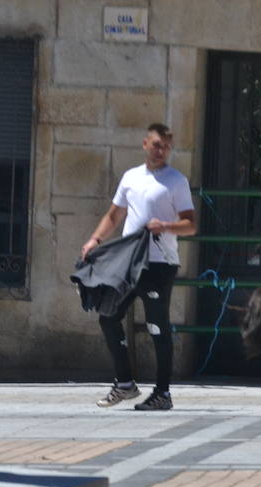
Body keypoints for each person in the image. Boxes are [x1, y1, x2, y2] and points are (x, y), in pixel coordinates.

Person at [81, 123, 196, 411]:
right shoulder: (131, 177)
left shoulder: (176, 181)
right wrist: (94, 240)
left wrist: (166, 225)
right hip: (128, 263)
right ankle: (124, 383)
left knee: (157, 326)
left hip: (159, 264)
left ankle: (163, 393)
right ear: (145, 144)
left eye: (167, 147)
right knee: (108, 315)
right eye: (156, 145)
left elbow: (191, 224)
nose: (161, 151)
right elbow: (114, 214)